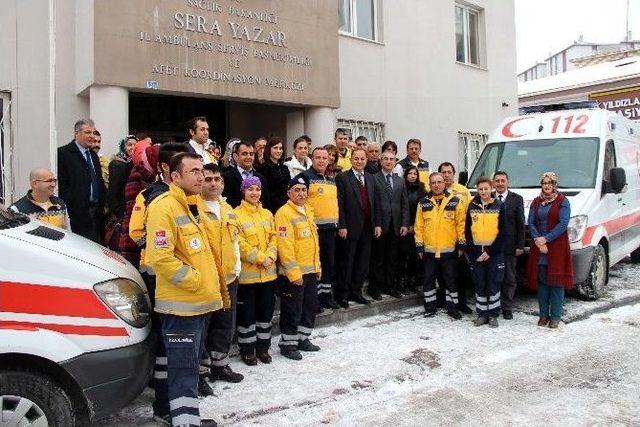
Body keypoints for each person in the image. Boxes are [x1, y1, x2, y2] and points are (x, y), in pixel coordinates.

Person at [145, 152, 227, 426]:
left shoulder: (192, 205)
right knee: (184, 369)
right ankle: (186, 421)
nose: (201, 176)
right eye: (194, 171)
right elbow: (160, 257)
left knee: (179, 365)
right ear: (175, 176)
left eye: (201, 170)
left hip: (197, 305)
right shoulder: (164, 206)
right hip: (182, 307)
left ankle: (171, 413)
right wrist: (194, 281)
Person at [127, 143, 189, 408]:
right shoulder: (149, 195)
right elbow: (136, 232)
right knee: (168, 339)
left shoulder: (191, 196)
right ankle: (165, 402)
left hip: (189, 279)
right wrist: (160, 247)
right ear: (166, 168)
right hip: (160, 277)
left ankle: (182, 390)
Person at [200, 163, 244, 385]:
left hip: (228, 278)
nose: (213, 183)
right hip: (206, 281)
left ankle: (220, 366)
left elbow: (234, 242)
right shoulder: (194, 209)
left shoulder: (228, 209)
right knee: (204, 327)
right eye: (208, 179)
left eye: (217, 179)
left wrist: (236, 269)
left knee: (225, 325)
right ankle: (202, 372)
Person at [275, 175, 322, 360]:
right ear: (289, 192)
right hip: (293, 274)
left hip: (310, 270)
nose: (301, 193)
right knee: (292, 310)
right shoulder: (283, 213)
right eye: (297, 190)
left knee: (309, 307)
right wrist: (294, 273)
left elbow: (313, 243)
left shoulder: (308, 210)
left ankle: (303, 338)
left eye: (303, 190)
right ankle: (288, 344)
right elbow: (285, 247)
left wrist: (318, 267)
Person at [233, 176, 278, 365]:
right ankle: (247, 350)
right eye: (250, 189)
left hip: (268, 275)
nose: (254, 193)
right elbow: (239, 244)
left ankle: (263, 348)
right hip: (247, 278)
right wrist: (261, 258)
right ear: (243, 191)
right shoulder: (235, 214)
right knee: (247, 316)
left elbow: (274, 238)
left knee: (265, 314)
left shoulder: (267, 214)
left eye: (257, 189)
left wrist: (270, 256)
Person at [415, 172, 466, 319]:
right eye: (433, 183)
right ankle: (430, 307)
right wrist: (419, 247)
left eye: (439, 182)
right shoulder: (423, 202)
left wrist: (461, 246)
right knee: (428, 281)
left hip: (449, 250)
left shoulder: (455, 201)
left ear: (444, 183)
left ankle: (453, 308)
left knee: (451, 280)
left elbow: (460, 225)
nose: (436, 185)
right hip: (429, 251)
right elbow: (419, 227)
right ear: (429, 185)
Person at [527, 172, 573, 329]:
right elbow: (531, 222)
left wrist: (546, 239)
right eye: (544, 183)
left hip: (557, 247)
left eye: (549, 183)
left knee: (556, 282)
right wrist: (539, 241)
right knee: (542, 282)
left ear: (555, 185)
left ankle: (555, 316)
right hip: (539, 247)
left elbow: (563, 224)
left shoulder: (562, 201)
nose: (546, 186)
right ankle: (543, 315)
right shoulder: (536, 202)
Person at [335, 147, 380, 307]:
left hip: (368, 228)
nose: (359, 161)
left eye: (362, 159)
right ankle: (343, 295)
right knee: (347, 262)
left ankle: (356, 292)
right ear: (351, 160)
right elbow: (339, 204)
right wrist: (342, 225)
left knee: (362, 263)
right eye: (356, 158)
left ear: (366, 160)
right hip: (350, 228)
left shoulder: (371, 178)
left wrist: (377, 224)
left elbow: (376, 203)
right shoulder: (342, 177)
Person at [298, 147, 341, 310]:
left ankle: (325, 297)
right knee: (315, 266)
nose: (322, 160)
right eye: (318, 157)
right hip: (313, 230)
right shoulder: (304, 177)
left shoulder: (331, 178)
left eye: (325, 157)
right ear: (312, 158)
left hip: (330, 229)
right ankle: (313, 300)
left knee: (328, 265)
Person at [465, 177, 506, 328]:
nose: (483, 192)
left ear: (491, 188)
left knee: (493, 284)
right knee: (480, 284)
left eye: (486, 189)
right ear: (477, 190)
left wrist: (490, 251)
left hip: (494, 254)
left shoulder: (500, 206)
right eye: (480, 189)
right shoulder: (471, 205)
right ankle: (482, 314)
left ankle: (493, 315)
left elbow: (503, 232)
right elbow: (467, 232)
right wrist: (475, 252)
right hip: (477, 254)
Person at [57, 119, 106, 243]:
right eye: (87, 132)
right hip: (77, 213)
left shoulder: (93, 155)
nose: (91, 136)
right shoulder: (64, 153)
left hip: (96, 212)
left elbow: (98, 181)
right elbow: (63, 185)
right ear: (76, 133)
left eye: (93, 133)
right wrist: (74, 202)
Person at [369, 151, 409, 299]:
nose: (388, 161)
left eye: (392, 159)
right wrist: (376, 223)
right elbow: (373, 204)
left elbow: (404, 203)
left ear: (395, 162)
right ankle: (376, 289)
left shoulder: (400, 180)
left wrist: (405, 223)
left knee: (393, 258)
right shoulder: (373, 179)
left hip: (396, 225)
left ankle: (390, 286)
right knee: (378, 259)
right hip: (380, 225)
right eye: (385, 159)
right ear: (380, 161)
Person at [439, 161, 473, 314]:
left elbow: (469, 213)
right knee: (445, 274)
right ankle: (447, 302)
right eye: (443, 172)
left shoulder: (463, 191)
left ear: (454, 174)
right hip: (442, 239)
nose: (446, 175)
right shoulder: (435, 190)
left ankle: (462, 303)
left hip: (460, 237)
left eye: (449, 172)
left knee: (462, 273)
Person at [119, 144, 160, 267]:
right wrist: (145, 244)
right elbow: (133, 212)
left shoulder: (152, 176)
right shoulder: (138, 175)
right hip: (133, 238)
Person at [493, 171, 525, 320]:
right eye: (497, 181)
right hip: (491, 246)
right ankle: (493, 306)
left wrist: (520, 245)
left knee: (509, 278)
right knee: (493, 277)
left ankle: (507, 308)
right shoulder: (487, 197)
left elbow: (520, 223)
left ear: (508, 182)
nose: (500, 183)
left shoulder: (516, 199)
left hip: (510, 246)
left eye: (502, 180)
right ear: (493, 183)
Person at [398, 166, 427, 294]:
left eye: (415, 173)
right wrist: (407, 224)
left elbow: (423, 209)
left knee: (415, 257)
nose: (412, 176)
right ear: (405, 175)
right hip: (404, 228)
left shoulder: (422, 189)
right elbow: (401, 208)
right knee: (403, 256)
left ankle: (412, 282)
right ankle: (401, 282)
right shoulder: (401, 186)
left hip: (417, 228)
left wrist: (415, 225)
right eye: (410, 173)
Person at [221, 141, 271, 209]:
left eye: (251, 154)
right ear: (235, 156)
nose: (248, 157)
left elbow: (266, 204)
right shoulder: (226, 178)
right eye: (244, 154)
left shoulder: (261, 178)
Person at [256, 136, 290, 213]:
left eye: (281, 148)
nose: (279, 151)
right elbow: (264, 193)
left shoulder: (284, 168)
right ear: (269, 149)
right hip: (271, 209)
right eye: (275, 148)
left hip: (286, 208)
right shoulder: (263, 169)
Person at [106, 135, 137, 219]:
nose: (133, 147)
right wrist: (117, 213)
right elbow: (113, 191)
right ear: (123, 146)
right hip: (121, 210)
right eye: (129, 145)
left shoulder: (136, 163)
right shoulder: (117, 164)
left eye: (135, 145)